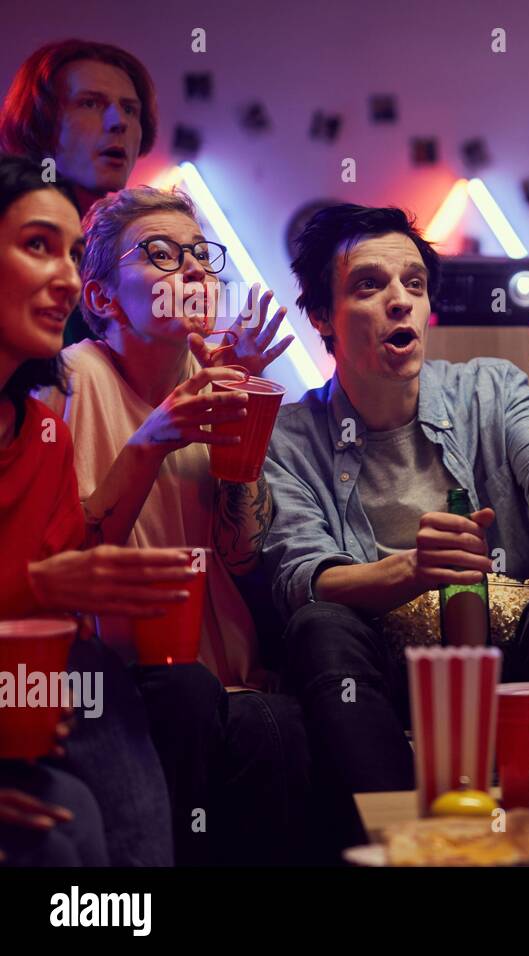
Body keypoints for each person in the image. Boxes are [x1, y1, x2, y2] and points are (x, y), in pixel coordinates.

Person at [262, 203, 529, 794]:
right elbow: (303, 580)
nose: (399, 300)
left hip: (505, 647)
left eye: (414, 285)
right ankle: (403, 841)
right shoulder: (290, 437)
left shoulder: (491, 388)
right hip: (378, 660)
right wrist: (411, 570)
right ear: (322, 316)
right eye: (368, 286)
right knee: (319, 627)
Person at [39, 184, 317, 864]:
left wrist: (241, 439)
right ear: (101, 299)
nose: (193, 269)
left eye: (201, 254)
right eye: (161, 255)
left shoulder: (219, 378)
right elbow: (71, 565)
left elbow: (241, 554)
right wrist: (153, 437)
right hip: (117, 671)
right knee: (190, 696)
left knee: (269, 718)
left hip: (227, 667)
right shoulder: (68, 383)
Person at [0, 153, 187, 865]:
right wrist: (39, 588)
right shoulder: (77, 387)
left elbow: (59, 604)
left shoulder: (40, 436)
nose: (67, 278)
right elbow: (44, 590)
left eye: (73, 253)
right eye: (37, 246)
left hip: (30, 695)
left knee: (69, 817)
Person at [0, 39, 159, 346]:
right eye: (90, 103)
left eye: (130, 109)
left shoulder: (119, 252)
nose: (119, 122)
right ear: (41, 122)